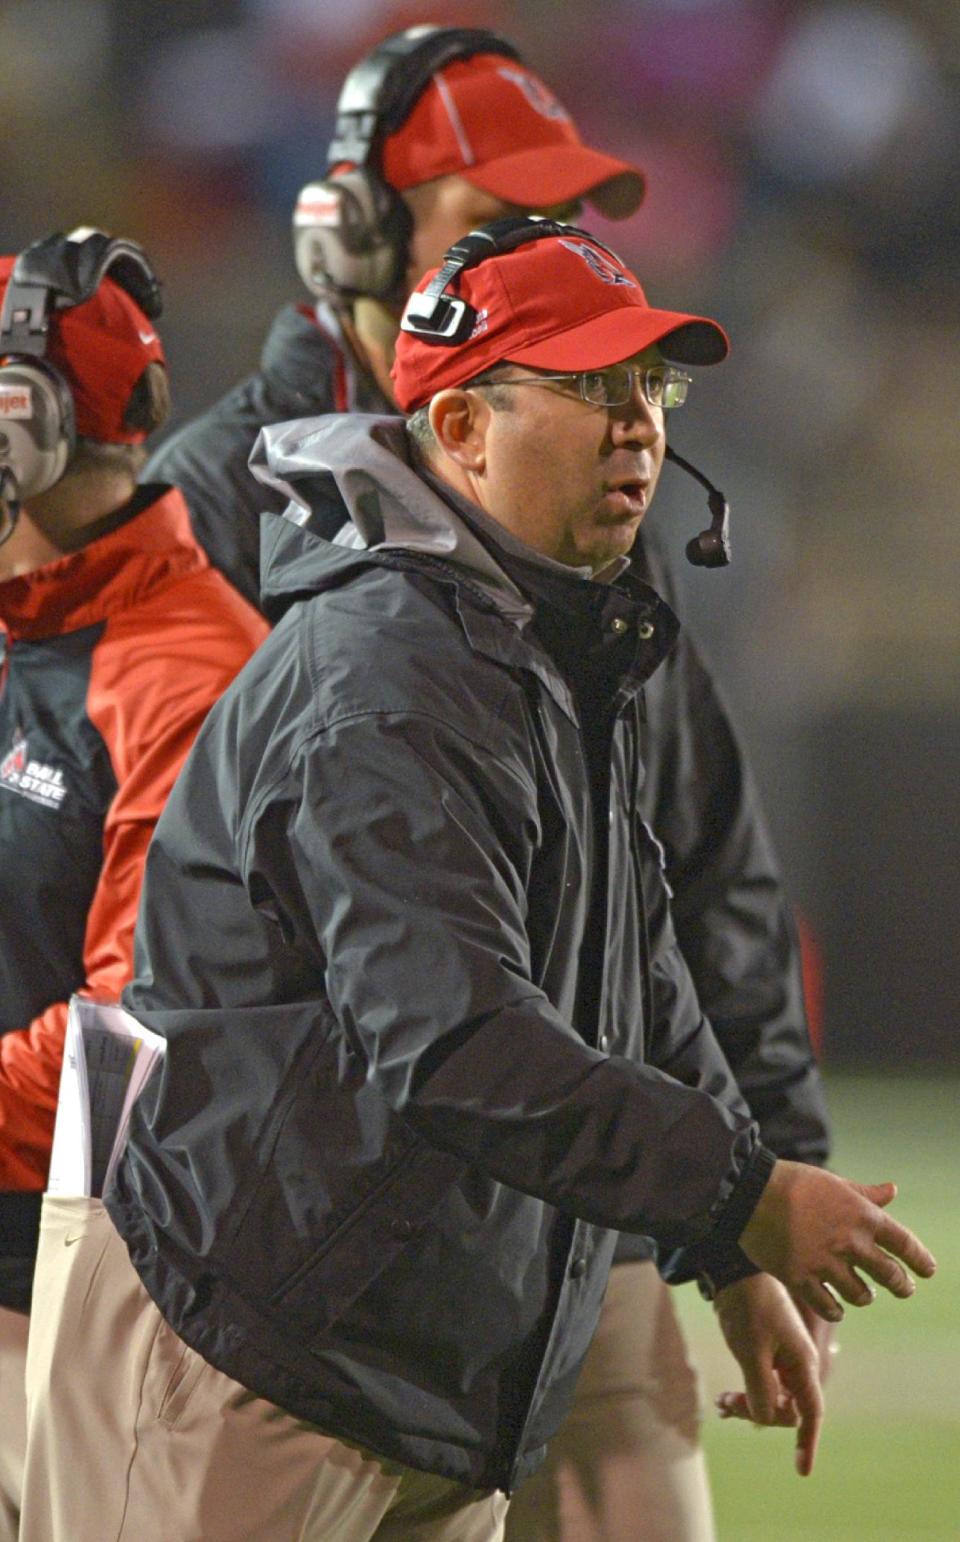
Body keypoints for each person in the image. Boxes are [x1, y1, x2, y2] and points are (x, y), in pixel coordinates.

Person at [20, 219, 935, 1542]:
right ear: (457, 432)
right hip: (257, 1347)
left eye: (649, 389)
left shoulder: (548, 638)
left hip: (425, 1368)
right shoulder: (381, 677)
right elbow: (454, 1041)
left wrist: (724, 1246)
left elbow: (638, 973)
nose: (639, 429)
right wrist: (741, 1190)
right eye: (588, 387)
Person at [144, 26, 832, 1539]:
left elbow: (687, 877)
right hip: (285, 1248)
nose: (543, 233)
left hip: (550, 1193)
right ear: (366, 227)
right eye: (493, 206)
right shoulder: (210, 502)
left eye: (563, 204)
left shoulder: (583, 518)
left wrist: (758, 1198)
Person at [0, 228, 267, 1540]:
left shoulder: (187, 669)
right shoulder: (31, 624)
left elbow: (133, 1040)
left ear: (25, 423)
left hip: (75, 1326)